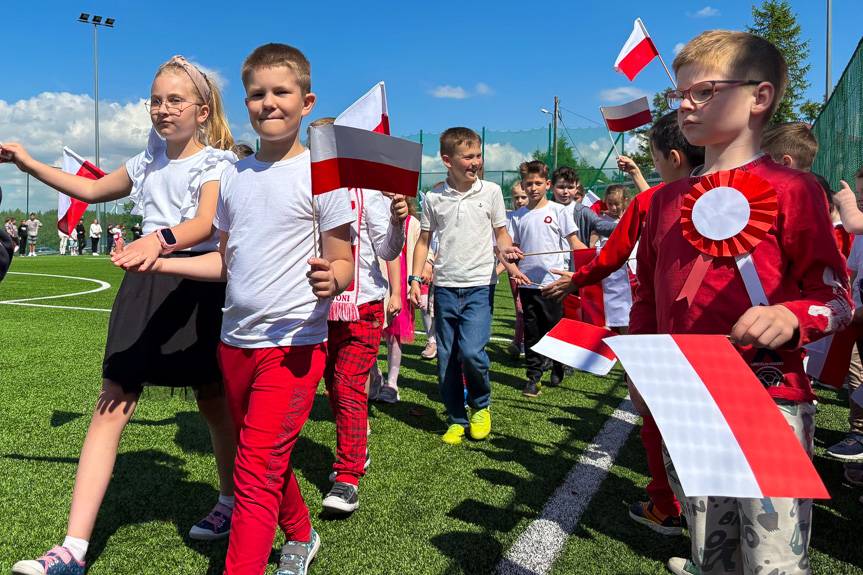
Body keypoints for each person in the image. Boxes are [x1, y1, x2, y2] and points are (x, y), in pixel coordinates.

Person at [1, 53, 238, 575]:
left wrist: (160, 240)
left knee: (213, 402)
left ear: (202, 111)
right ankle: (72, 549)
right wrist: (30, 164)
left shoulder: (218, 164)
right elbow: (89, 189)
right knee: (112, 402)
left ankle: (230, 502)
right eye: (155, 99)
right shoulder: (146, 160)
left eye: (175, 100)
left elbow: (203, 223)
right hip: (142, 283)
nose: (161, 109)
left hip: (193, 290)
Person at [633, 30, 851, 575]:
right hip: (687, 395)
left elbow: (838, 298)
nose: (684, 104)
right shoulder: (660, 202)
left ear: (760, 97)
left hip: (766, 392)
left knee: (773, 559)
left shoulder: (794, 190)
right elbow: (648, 295)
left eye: (703, 91)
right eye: (679, 93)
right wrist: (641, 367)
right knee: (711, 549)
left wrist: (792, 315)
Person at [144, 43, 353, 575]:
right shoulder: (234, 174)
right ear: (246, 103)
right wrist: (161, 262)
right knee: (260, 461)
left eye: (281, 92)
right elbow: (224, 261)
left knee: (255, 472)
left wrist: (335, 277)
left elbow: (343, 257)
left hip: (293, 349)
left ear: (307, 102)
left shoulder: (322, 174)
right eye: (257, 94)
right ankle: (302, 535)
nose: (269, 103)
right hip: (233, 342)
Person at [546, 110, 704, 536]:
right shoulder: (728, 195)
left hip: (653, 330)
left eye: (653, 158)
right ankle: (702, 515)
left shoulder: (650, 201)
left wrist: (575, 280)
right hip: (712, 331)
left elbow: (612, 256)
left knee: (653, 417)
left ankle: (665, 504)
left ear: (671, 157)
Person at [306, 116, 408, 516]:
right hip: (317, 304)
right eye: (316, 143)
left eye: (330, 143)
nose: (323, 150)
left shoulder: (370, 191)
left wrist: (399, 220)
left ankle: (347, 476)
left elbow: (387, 250)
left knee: (348, 384)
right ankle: (355, 448)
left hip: (362, 304)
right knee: (333, 384)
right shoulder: (306, 184)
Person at [409, 127, 522, 445]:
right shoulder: (433, 198)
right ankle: (456, 419)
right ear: (448, 160)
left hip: (479, 287)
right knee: (448, 357)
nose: (476, 162)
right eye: (468, 156)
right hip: (444, 288)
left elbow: (501, 235)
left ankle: (481, 406)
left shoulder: (492, 192)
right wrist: (416, 279)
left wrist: (508, 250)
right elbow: (424, 241)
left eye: (478, 155)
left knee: (472, 352)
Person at [509, 160, 586, 397]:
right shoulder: (518, 216)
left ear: (547, 184)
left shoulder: (559, 211)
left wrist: (598, 261)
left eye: (538, 183)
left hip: (555, 284)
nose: (533, 188)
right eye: (529, 183)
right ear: (523, 185)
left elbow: (575, 244)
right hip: (528, 284)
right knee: (532, 330)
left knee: (553, 328)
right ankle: (533, 377)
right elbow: (510, 249)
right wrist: (512, 265)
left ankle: (558, 363)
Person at [372, 198, 420, 405]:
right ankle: (374, 378)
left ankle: (392, 383)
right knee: (370, 334)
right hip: (377, 282)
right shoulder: (374, 212)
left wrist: (419, 275)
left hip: (400, 283)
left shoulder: (413, 223)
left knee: (395, 335)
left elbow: (423, 248)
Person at [505, 182, 529, 359]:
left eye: (523, 197)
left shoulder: (534, 215)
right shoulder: (510, 218)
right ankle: (518, 341)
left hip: (532, 270)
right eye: (516, 198)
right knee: (519, 308)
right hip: (514, 270)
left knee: (529, 308)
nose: (520, 201)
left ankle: (521, 342)